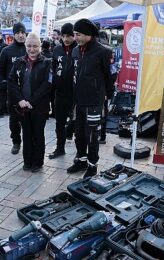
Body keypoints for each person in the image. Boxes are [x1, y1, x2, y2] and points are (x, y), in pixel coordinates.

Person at [67, 19, 113, 178]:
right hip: (78, 101)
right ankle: (80, 160)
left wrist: (107, 96)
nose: (75, 37)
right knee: (78, 134)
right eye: (74, 34)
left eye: (78, 34)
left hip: (94, 102)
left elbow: (110, 76)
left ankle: (92, 165)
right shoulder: (75, 51)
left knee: (92, 136)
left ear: (88, 34)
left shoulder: (103, 52)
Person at [8, 33, 51, 172]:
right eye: (29, 46)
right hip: (23, 107)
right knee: (26, 134)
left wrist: (31, 101)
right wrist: (20, 100)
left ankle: (38, 162)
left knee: (38, 134)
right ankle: (27, 161)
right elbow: (12, 82)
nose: (32, 49)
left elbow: (47, 85)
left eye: (35, 46)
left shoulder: (47, 63)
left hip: (39, 107)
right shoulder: (19, 62)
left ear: (40, 46)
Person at [49, 23, 77, 159]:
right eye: (64, 36)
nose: (66, 39)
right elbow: (53, 68)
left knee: (76, 121)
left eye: (69, 36)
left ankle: (80, 153)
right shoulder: (57, 50)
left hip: (75, 94)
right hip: (60, 92)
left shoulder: (79, 49)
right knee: (59, 122)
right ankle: (60, 148)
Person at [0, 22, 27, 155]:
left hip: (28, 91)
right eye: (17, 33)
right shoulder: (7, 51)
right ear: (13, 35)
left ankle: (28, 141)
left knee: (28, 119)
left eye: (23, 33)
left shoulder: (30, 48)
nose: (21, 36)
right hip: (13, 93)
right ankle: (16, 142)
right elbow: (1, 70)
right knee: (14, 121)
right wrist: (5, 85)